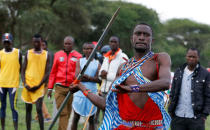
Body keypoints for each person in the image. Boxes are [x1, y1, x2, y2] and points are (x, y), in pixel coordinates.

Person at [70, 23, 172, 130]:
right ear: (132, 39)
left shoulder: (160, 58)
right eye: (138, 34)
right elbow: (105, 104)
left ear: (152, 40)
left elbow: (165, 83)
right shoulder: (123, 68)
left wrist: (132, 88)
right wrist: (80, 86)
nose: (141, 37)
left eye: (146, 35)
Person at [168, 48, 210, 130]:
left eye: (194, 57)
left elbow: (208, 96)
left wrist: (204, 115)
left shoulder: (205, 74)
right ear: (186, 57)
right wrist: (170, 111)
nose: (191, 59)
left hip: (196, 119)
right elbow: (172, 92)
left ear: (198, 58)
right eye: (189, 56)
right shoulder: (178, 71)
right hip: (178, 117)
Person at [47, 36, 82, 130]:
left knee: (68, 112)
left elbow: (80, 73)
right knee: (63, 112)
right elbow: (53, 72)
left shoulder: (78, 56)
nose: (67, 45)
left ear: (73, 44)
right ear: (63, 44)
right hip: (59, 87)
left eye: (69, 43)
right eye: (65, 43)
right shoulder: (58, 54)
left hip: (72, 88)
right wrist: (50, 88)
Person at [21, 34, 50, 130]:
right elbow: (23, 70)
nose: (36, 43)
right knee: (28, 110)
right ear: (32, 42)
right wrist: (25, 84)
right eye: (34, 41)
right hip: (28, 85)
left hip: (39, 86)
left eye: (38, 42)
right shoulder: (28, 53)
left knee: (39, 109)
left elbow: (47, 72)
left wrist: (39, 85)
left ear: (42, 42)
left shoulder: (46, 54)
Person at [71, 42, 101, 130]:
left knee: (91, 119)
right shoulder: (79, 61)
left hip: (92, 93)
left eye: (91, 49)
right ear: (83, 50)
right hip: (79, 92)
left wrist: (87, 77)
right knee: (75, 117)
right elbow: (77, 77)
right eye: (86, 49)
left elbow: (99, 79)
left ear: (95, 50)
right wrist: (92, 78)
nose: (89, 50)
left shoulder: (97, 63)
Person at [0, 33, 22, 130]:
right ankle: (3, 128)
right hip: (1, 84)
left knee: (13, 107)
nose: (6, 44)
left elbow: (21, 68)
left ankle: (16, 128)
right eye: (5, 42)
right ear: (2, 42)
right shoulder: (0, 53)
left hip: (13, 84)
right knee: (2, 107)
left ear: (11, 42)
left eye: (8, 42)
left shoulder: (18, 53)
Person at [34, 40, 53, 122]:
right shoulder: (39, 55)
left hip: (46, 81)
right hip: (39, 81)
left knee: (38, 99)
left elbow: (50, 69)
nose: (42, 47)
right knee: (38, 99)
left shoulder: (49, 55)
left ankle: (47, 116)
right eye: (40, 45)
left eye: (43, 45)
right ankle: (38, 117)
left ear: (46, 46)